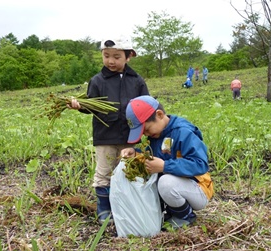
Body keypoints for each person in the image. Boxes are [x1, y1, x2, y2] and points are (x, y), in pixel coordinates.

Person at [68, 36, 149, 224]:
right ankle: (104, 208)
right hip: (105, 136)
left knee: (131, 170)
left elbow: (146, 105)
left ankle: (128, 205)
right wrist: (80, 106)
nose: (111, 61)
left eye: (116, 56)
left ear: (129, 56)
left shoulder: (137, 80)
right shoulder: (97, 80)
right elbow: (91, 106)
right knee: (104, 173)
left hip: (130, 136)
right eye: (106, 56)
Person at [121, 96, 214, 229]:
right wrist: (135, 153)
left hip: (198, 189)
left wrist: (164, 166)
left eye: (146, 129)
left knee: (165, 182)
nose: (145, 134)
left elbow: (200, 164)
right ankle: (171, 212)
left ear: (159, 115)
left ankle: (185, 216)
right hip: (180, 187)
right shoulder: (156, 135)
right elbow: (151, 157)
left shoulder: (183, 132)